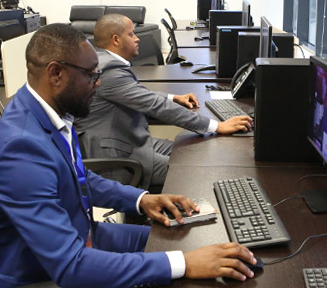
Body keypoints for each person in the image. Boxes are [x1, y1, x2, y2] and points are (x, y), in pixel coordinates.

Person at [0, 23, 257, 288]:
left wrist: (141, 200)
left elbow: (81, 179)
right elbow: (71, 264)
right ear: (55, 74)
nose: (98, 84)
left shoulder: (46, 112)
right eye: (91, 75)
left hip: (77, 245)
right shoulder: (19, 150)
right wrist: (184, 263)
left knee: (174, 242)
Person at [74, 14, 252, 191]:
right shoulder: (110, 70)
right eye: (131, 34)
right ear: (116, 40)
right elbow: (155, 106)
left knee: (196, 151)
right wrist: (217, 126)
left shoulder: (104, 60)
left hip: (130, 140)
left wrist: (173, 98)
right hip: (115, 156)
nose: (137, 39)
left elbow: (138, 94)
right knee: (193, 170)